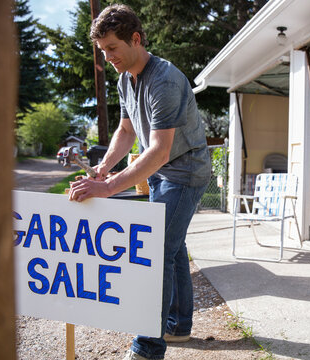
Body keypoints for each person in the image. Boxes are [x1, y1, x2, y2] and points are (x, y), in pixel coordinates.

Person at [68, 4, 211, 359]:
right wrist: (104, 166)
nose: (108, 58)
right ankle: (178, 326)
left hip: (186, 171)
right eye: (103, 52)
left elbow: (160, 151)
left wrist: (107, 187)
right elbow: (127, 130)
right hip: (162, 172)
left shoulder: (164, 80)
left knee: (155, 250)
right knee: (171, 247)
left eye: (112, 48)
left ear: (135, 38)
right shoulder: (123, 79)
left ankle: (148, 347)